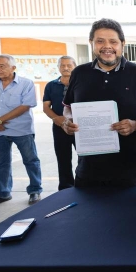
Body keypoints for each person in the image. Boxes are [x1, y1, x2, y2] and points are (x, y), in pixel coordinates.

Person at [62, 18, 136, 187]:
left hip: (129, 169)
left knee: (126, 213)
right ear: (91, 43)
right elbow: (68, 108)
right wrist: (67, 122)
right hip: (88, 169)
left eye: (113, 41)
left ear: (122, 44)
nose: (107, 46)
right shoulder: (79, 73)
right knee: (87, 214)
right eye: (100, 41)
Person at [0, 54, 43, 208]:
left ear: (13, 68)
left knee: (31, 161)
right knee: (2, 164)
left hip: (21, 130)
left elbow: (24, 106)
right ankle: (3, 193)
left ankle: (35, 190)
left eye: (2, 66)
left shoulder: (26, 84)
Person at [42, 56, 77, 190]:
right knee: (63, 158)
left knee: (84, 158)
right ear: (58, 68)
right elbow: (46, 107)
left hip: (78, 126)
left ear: (75, 67)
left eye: (69, 65)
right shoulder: (51, 85)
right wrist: (57, 119)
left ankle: (83, 183)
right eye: (62, 65)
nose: (66, 68)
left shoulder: (81, 83)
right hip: (59, 127)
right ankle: (66, 187)